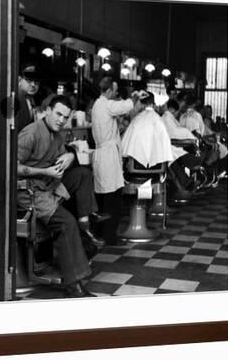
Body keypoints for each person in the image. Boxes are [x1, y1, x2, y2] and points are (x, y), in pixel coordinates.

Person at [17, 95, 103, 298]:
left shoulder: (56, 134)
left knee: (82, 174)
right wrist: (45, 172)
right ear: (47, 110)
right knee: (66, 223)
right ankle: (73, 285)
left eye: (65, 117)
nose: (61, 120)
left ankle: (86, 223)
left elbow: (63, 154)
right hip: (30, 193)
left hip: (49, 186)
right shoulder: (30, 133)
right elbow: (12, 167)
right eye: (58, 114)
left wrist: (70, 155)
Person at [91, 76, 138, 246]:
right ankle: (110, 236)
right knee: (113, 200)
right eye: (115, 90)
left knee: (103, 199)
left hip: (102, 154)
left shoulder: (97, 105)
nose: (117, 93)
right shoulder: (107, 104)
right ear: (109, 90)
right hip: (108, 156)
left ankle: (99, 233)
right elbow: (126, 106)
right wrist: (135, 96)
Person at [16, 63, 41, 132]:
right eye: (29, 80)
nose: (33, 85)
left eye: (36, 81)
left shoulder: (30, 98)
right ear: (19, 80)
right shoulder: (17, 97)